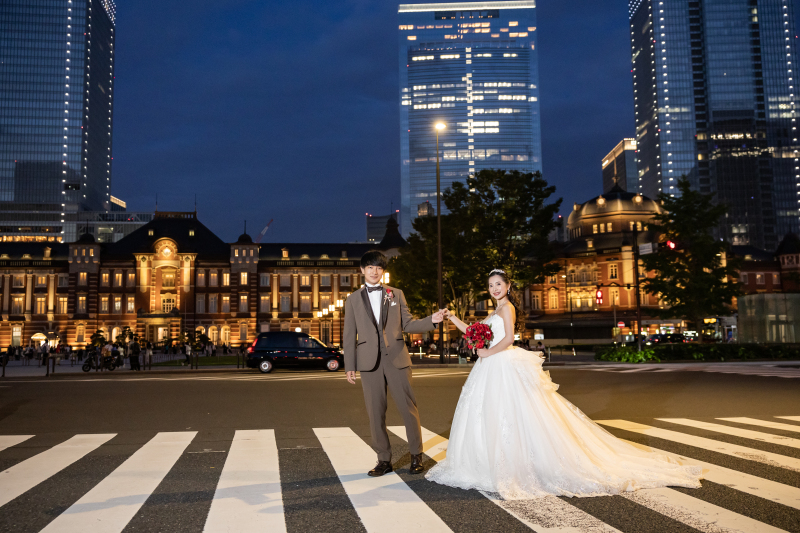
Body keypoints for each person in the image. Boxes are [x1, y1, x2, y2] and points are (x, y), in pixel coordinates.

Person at [426, 268, 703, 500]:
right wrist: (452, 318)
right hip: (491, 367)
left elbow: (509, 338)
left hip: (501, 364)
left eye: (499, 284)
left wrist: (486, 352)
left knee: (514, 415)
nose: (495, 288)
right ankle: (491, 463)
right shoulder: (495, 308)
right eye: (490, 285)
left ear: (508, 286)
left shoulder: (507, 308)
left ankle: (515, 465)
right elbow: (475, 332)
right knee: (492, 416)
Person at [343, 250, 444, 477]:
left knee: (409, 409)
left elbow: (407, 324)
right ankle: (383, 460)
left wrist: (432, 321)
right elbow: (349, 334)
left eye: (379, 267)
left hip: (397, 358)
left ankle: (416, 456)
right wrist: (350, 365)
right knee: (375, 412)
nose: (374, 271)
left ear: (383, 271)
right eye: (370, 267)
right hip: (369, 362)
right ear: (362, 270)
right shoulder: (352, 300)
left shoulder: (395, 294)